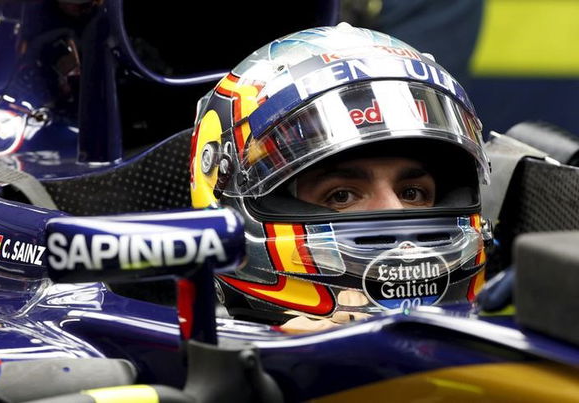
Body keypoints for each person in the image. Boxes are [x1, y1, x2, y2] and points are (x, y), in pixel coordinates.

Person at [189, 23, 491, 332]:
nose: (394, 211)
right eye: (342, 195)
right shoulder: (178, 355)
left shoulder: (507, 322)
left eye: (412, 193)